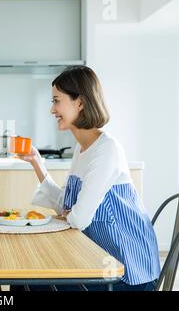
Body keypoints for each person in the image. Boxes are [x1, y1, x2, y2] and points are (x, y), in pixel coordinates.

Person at [16, 66, 160, 291]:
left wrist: (67, 215)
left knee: (28, 286)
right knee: (23, 283)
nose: (52, 110)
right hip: (100, 263)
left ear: (80, 103)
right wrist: (37, 162)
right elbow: (65, 206)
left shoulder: (106, 149)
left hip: (129, 272)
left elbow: (78, 219)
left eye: (56, 101)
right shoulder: (82, 149)